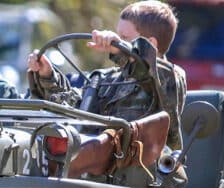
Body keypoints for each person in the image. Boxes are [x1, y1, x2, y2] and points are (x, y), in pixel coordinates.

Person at [27, 1, 187, 152]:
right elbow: (76, 107)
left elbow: (150, 72)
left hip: (142, 169)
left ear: (150, 44)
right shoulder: (107, 78)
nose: (117, 43)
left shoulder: (170, 75)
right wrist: (47, 75)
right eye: (119, 37)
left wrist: (123, 52)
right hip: (97, 163)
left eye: (124, 39)